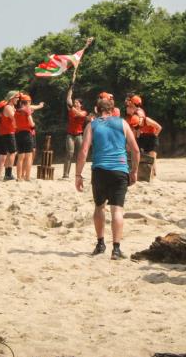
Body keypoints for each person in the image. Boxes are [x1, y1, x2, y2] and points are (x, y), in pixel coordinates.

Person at [75, 95, 139, 260]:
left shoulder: (92, 125)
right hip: (120, 170)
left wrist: (78, 174)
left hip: (100, 170)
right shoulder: (123, 123)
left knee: (99, 207)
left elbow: (83, 151)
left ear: (96, 110)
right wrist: (134, 170)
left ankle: (100, 243)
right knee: (117, 209)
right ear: (112, 110)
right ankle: (116, 249)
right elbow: (135, 150)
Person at [128, 95, 162, 178]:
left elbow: (159, 127)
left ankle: (154, 175)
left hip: (151, 137)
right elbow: (136, 130)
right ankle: (143, 174)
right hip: (144, 136)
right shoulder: (136, 115)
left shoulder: (145, 118)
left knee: (152, 158)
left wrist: (154, 136)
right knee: (141, 155)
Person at [63, 84, 87, 179]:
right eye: (75, 102)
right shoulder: (71, 110)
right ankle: (66, 174)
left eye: (77, 102)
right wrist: (70, 89)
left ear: (81, 104)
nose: (75, 103)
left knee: (81, 155)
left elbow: (80, 114)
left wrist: (72, 107)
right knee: (70, 153)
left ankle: (79, 174)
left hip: (79, 135)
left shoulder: (84, 112)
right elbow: (68, 99)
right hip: (70, 135)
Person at [0, 91, 19, 181]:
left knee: (3, 156)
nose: (18, 99)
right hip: (9, 133)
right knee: (12, 153)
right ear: (11, 98)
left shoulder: (9, 107)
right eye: (16, 97)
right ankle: (8, 174)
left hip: (2, 133)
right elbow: (15, 118)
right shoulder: (9, 107)